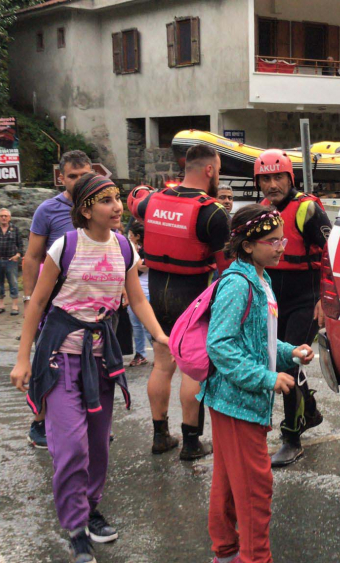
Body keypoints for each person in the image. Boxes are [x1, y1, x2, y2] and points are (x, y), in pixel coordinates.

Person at [10, 174, 169, 563]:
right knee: (70, 446)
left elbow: (137, 299)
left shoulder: (123, 248)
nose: (117, 206)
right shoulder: (65, 246)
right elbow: (38, 303)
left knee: (98, 445)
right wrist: (22, 358)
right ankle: (76, 528)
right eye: (106, 201)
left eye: (117, 198)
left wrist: (160, 336)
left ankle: (90, 506)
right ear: (85, 209)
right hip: (59, 357)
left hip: (102, 360)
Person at [203, 204, 314, 563]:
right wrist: (266, 378)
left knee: (229, 484)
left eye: (282, 238)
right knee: (255, 488)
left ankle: (227, 552)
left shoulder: (261, 278)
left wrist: (289, 353)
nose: (282, 246)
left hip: (234, 401)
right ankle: (254, 558)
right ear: (248, 245)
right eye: (272, 240)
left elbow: (260, 340)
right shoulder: (237, 283)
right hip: (236, 401)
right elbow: (219, 344)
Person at [129, 144, 230, 460]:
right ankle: (190, 443)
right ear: (210, 170)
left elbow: (136, 204)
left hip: (156, 293)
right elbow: (227, 267)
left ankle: (160, 436)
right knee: (193, 370)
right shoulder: (213, 212)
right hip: (192, 296)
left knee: (161, 365)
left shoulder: (151, 202)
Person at [256, 149, 331, 467]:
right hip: (275, 300)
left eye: (278, 177)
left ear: (290, 178)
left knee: (289, 365)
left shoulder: (308, 210)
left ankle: (291, 438)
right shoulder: (262, 211)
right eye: (266, 179)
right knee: (278, 362)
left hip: (306, 298)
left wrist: (325, 300)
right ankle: (309, 413)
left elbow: (333, 252)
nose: (272, 184)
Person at [21, 150, 93, 448]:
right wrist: (30, 300)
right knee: (46, 362)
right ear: (61, 177)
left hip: (92, 302)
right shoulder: (47, 210)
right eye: (72, 176)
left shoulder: (102, 205)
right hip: (54, 303)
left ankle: (89, 419)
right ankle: (39, 422)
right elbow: (32, 258)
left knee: (90, 362)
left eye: (83, 176)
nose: (77, 182)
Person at [0, 208, 23, 315]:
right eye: (1, 216)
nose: (4, 218)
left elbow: (20, 244)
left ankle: (15, 306)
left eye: (6, 216)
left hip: (11, 261)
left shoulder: (15, 229)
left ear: (9, 218)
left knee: (13, 283)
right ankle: (1, 305)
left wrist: (18, 255)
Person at [126, 221, 152, 367]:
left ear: (137, 236)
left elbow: (142, 267)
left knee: (148, 325)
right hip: (133, 291)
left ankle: (160, 352)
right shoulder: (134, 248)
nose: (129, 238)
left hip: (147, 292)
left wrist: (133, 253)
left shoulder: (149, 249)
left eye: (131, 236)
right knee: (135, 325)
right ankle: (140, 354)